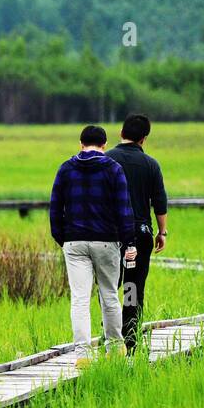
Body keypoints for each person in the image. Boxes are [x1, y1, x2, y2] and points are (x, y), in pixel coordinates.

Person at [49, 125, 136, 362]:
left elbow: (55, 208)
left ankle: (83, 355)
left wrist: (64, 239)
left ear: (80, 144)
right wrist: (129, 242)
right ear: (105, 145)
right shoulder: (114, 169)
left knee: (79, 299)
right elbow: (124, 209)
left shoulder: (66, 169)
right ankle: (116, 348)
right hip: (107, 241)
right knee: (109, 295)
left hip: (74, 243)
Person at [106, 114, 169, 354]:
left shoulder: (108, 159)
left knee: (111, 286)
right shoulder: (151, 164)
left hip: (112, 235)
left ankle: (110, 336)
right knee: (133, 286)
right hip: (140, 233)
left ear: (121, 133)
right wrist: (162, 232)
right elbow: (159, 202)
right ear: (144, 139)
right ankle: (130, 340)